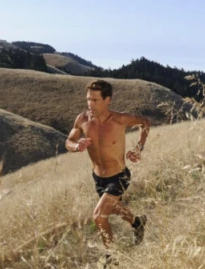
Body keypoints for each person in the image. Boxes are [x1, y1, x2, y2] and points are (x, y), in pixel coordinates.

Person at [65, 80, 151, 250]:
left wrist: (139, 148)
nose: (90, 104)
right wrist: (76, 146)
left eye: (95, 100)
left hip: (119, 175)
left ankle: (112, 258)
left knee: (98, 216)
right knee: (113, 208)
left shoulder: (120, 119)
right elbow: (68, 141)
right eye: (88, 99)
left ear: (107, 100)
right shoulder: (82, 119)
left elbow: (145, 122)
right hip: (98, 177)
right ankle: (137, 223)